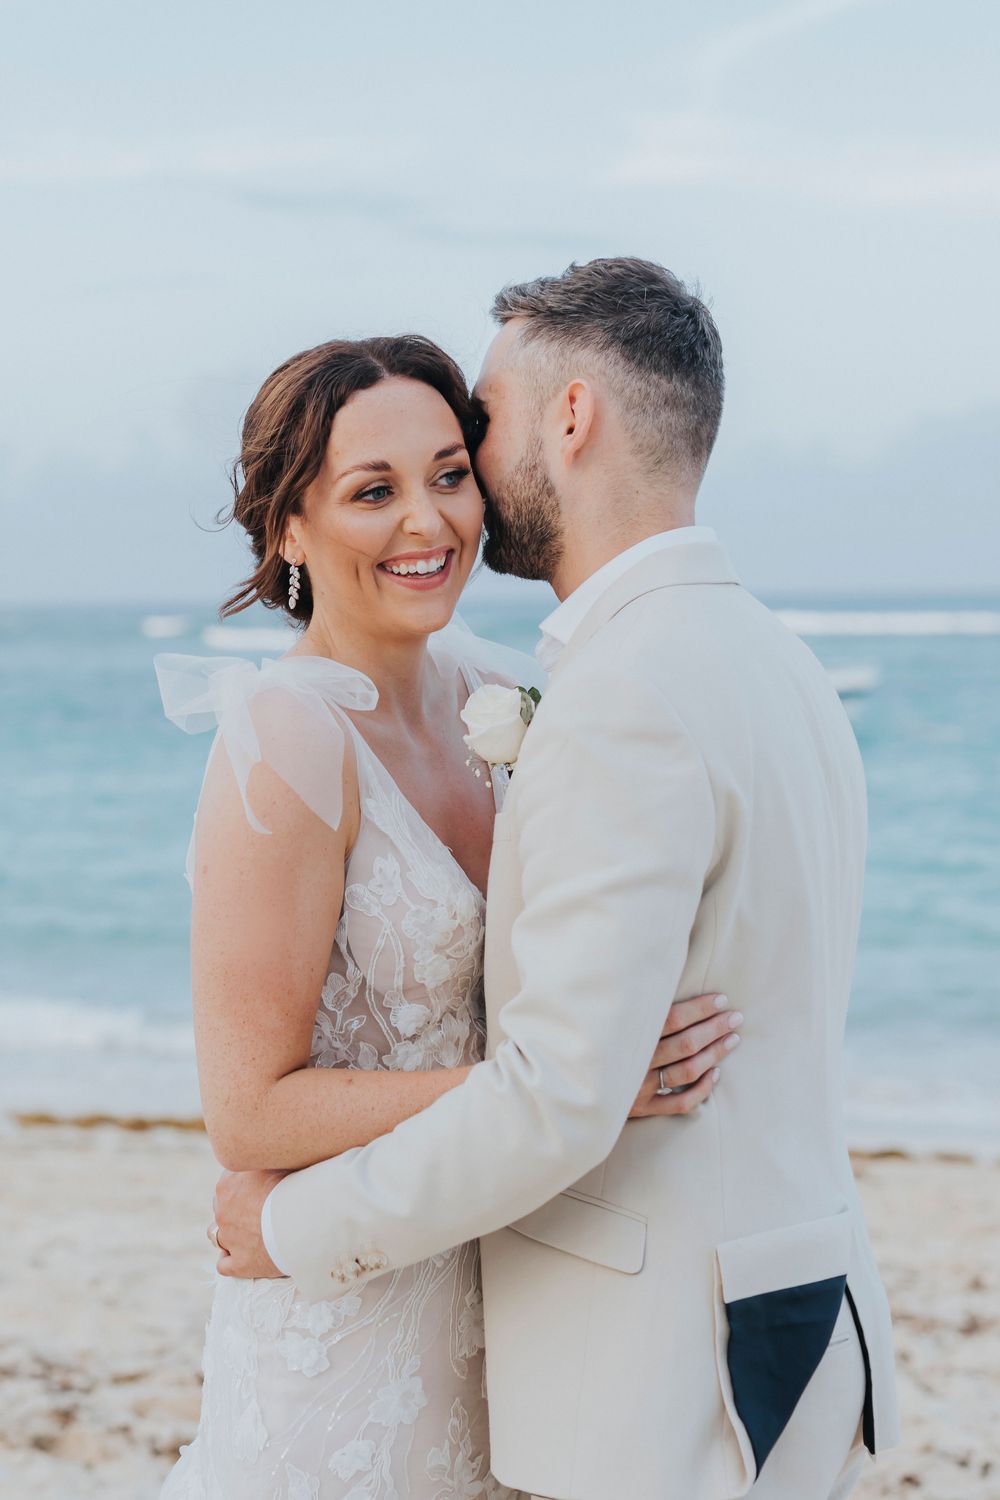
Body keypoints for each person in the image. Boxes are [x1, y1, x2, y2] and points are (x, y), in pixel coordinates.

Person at [215, 259, 900, 1500]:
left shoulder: (604, 693)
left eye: (471, 435)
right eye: (376, 487)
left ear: (569, 418)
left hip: (659, 1365)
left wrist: (285, 1231)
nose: (449, 495)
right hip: (778, 1324)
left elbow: (554, 1102)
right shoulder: (771, 657)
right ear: (294, 525)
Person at [154, 330, 740, 1499]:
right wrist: (569, 1082)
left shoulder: (502, 689)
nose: (428, 524)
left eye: (448, 475)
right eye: (372, 492)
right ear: (287, 528)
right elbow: (249, 1115)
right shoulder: (286, 741)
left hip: (516, 1305)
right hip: (348, 1338)